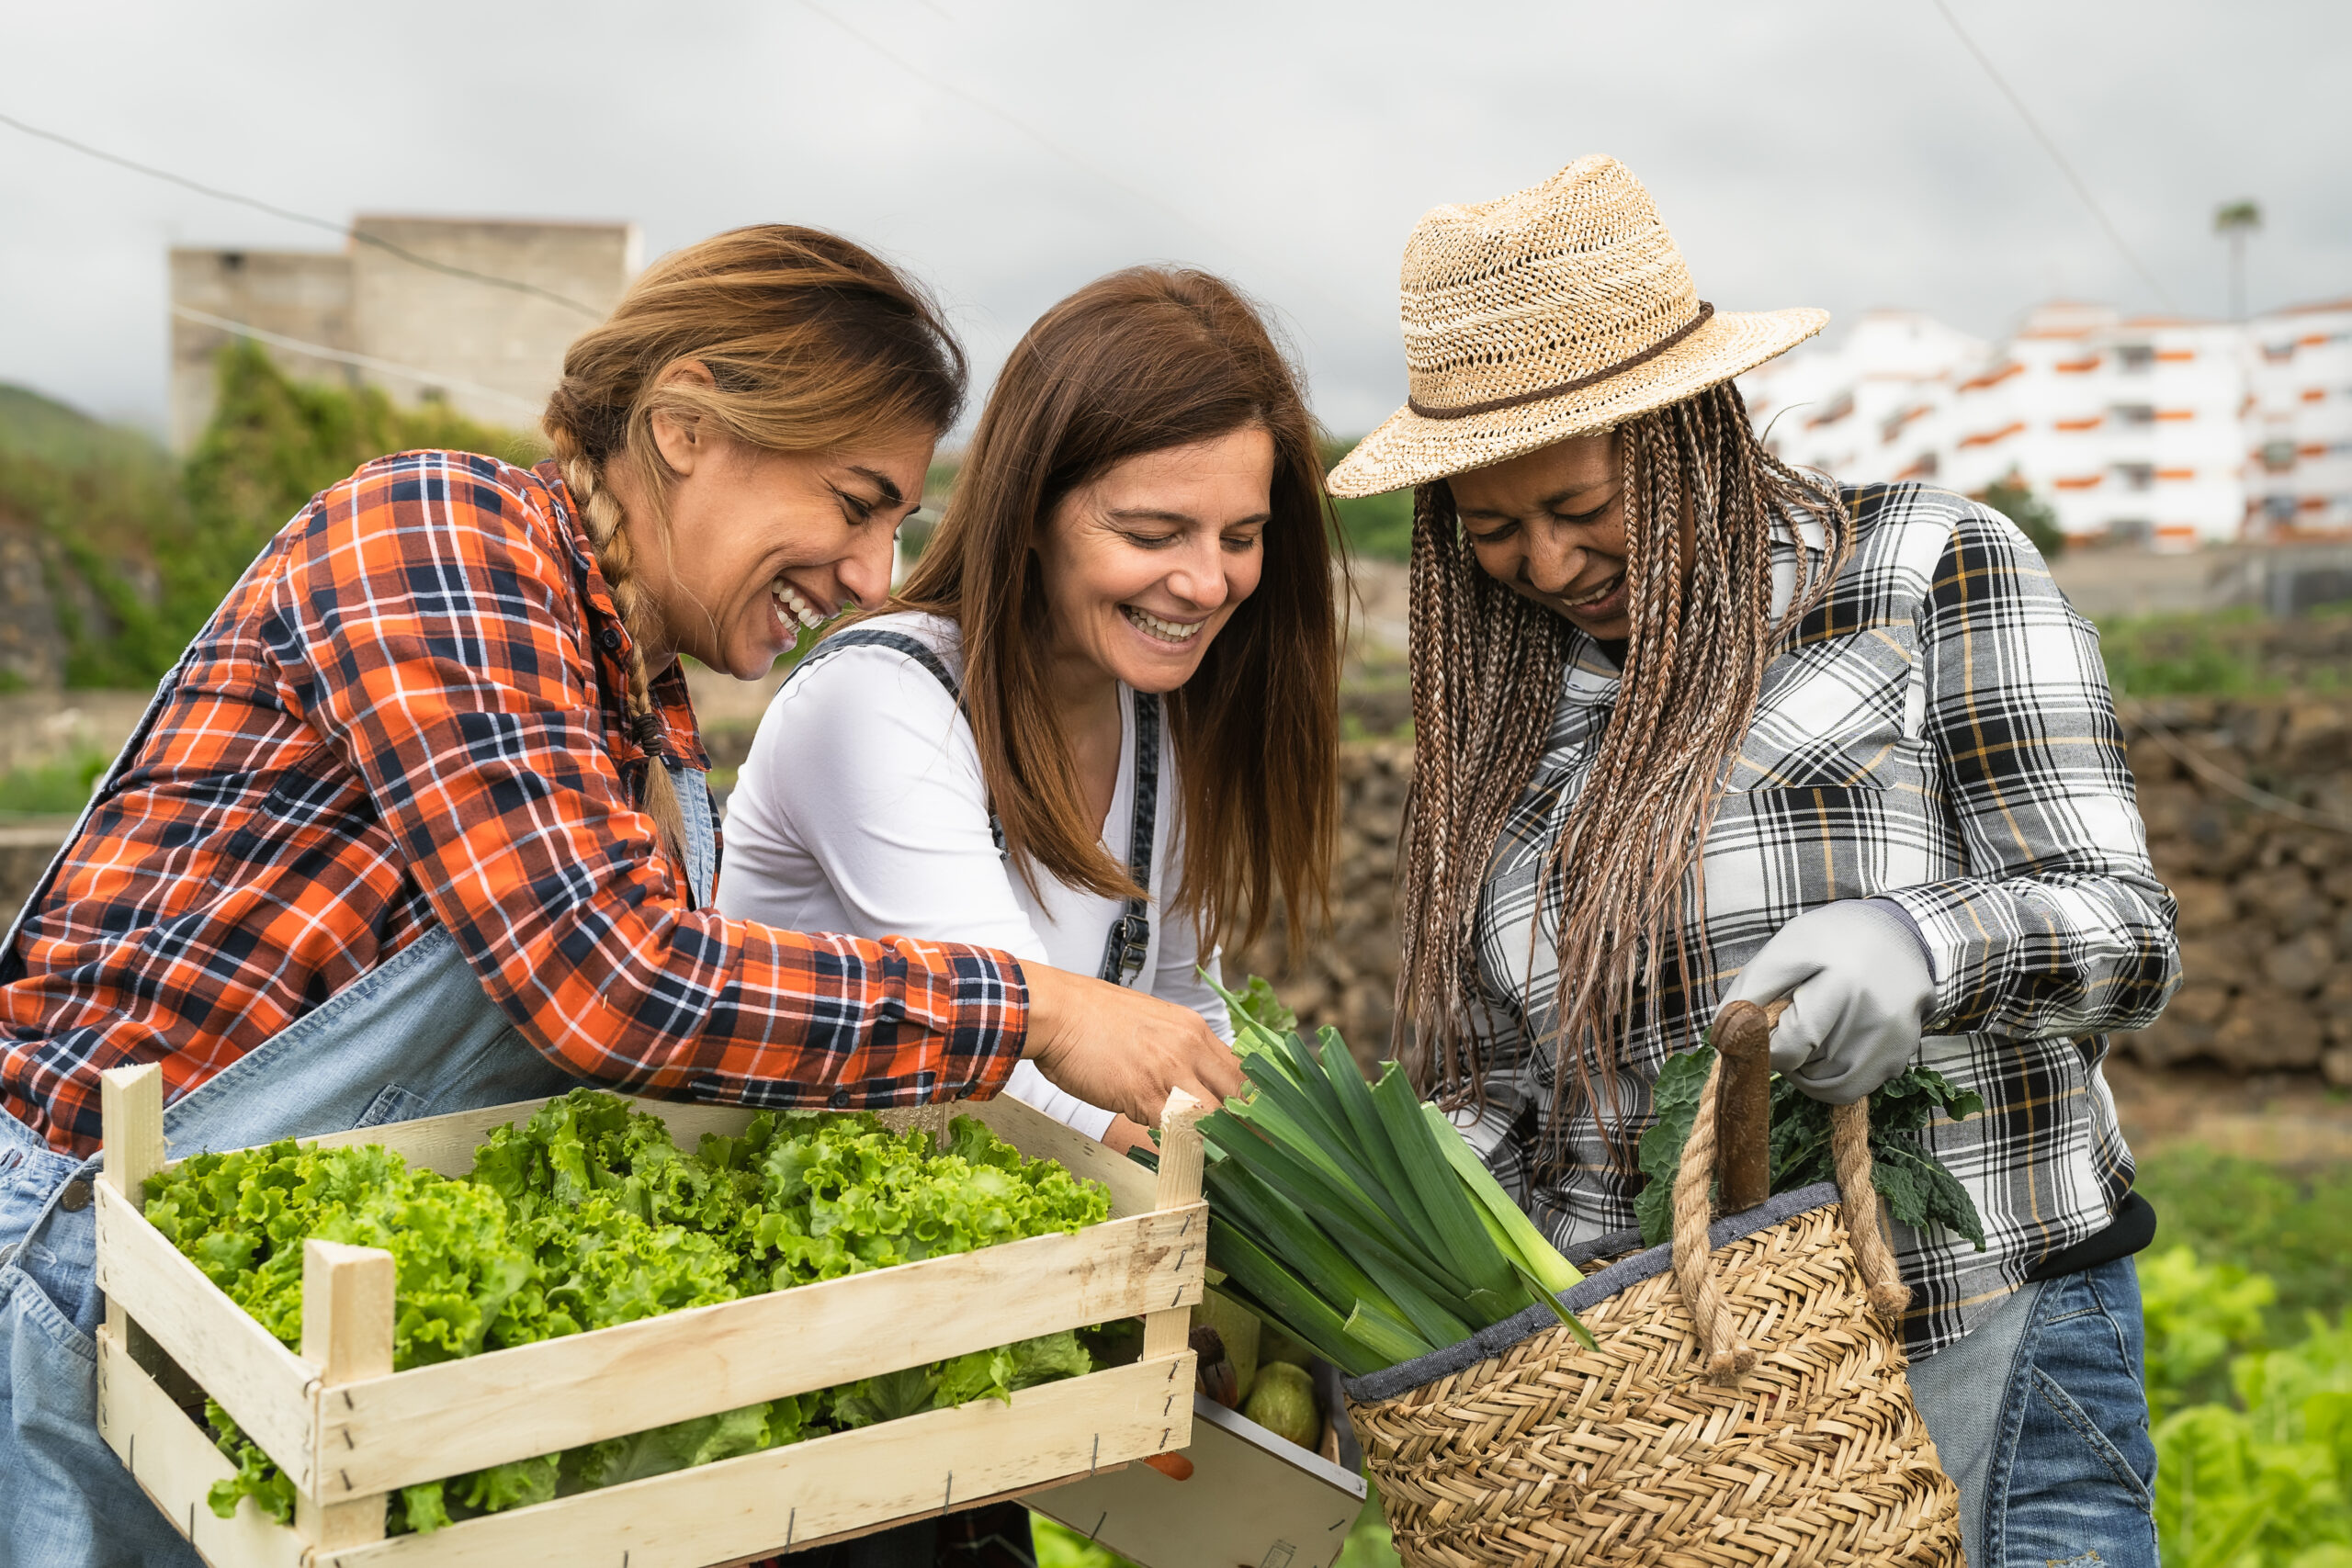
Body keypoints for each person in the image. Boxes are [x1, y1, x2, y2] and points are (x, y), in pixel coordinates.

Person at [0, 226, 1240, 1566]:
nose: (874, 576)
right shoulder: (438, 534)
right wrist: (1033, 1008)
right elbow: (613, 983)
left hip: (309, 1339)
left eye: (900, 520)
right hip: (96, 1290)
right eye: (854, 500)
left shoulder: (641, 705)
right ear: (689, 425)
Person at [1329, 157, 2180, 1568]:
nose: (1544, 563)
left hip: (1984, 1322)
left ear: (1689, 436)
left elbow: (2126, 931)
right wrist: (1416, 1273)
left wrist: (1923, 943)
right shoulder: (1497, 714)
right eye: (1491, 528)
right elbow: (1491, 1081)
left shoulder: (1924, 568)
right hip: (1688, 1417)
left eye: (1584, 506)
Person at [718, 266, 1340, 1160]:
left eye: (1240, 538)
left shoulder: (1158, 712)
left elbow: (1179, 1009)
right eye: (1152, 535)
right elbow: (1007, 1056)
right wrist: (1250, 1195)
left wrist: (1276, 1155)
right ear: (1033, 510)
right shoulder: (881, 699)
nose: (1208, 583)